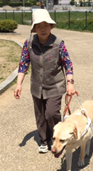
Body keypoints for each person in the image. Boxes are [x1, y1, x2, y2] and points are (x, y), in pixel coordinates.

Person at [14, 9, 75, 153]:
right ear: (34, 28)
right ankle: (44, 140)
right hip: (37, 85)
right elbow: (23, 64)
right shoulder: (29, 43)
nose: (43, 29)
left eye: (46, 25)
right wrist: (18, 84)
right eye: (39, 26)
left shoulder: (58, 43)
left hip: (55, 85)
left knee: (52, 113)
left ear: (51, 26)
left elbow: (68, 64)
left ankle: (58, 137)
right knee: (40, 115)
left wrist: (70, 83)